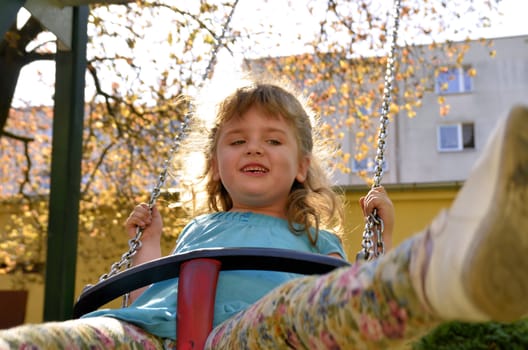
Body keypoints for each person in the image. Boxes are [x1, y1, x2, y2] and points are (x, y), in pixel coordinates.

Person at [0, 79, 526, 350]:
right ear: (216, 164)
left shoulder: (315, 241)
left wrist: (381, 233)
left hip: (251, 336)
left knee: (302, 308)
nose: (254, 148)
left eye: (272, 139)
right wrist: (151, 246)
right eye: (237, 141)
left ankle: (449, 265)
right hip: (155, 336)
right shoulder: (198, 229)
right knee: (83, 337)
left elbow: (340, 303)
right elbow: (151, 296)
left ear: (301, 166)